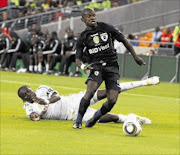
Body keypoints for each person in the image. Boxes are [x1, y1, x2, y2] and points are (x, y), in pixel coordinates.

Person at [73, 8, 146, 129]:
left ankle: (95, 117)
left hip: (112, 66)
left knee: (112, 99)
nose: (92, 18)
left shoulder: (106, 27)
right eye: (88, 16)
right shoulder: (83, 37)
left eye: (93, 15)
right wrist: (82, 66)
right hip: (96, 66)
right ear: (83, 19)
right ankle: (78, 121)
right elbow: (78, 59)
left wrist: (136, 57)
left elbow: (124, 40)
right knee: (90, 91)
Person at [18, 76, 160, 123]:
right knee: (107, 118)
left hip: (75, 100)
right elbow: (33, 116)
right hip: (73, 115)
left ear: (31, 88)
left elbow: (57, 96)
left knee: (109, 91)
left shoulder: (42, 89)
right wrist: (35, 116)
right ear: (24, 99)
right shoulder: (29, 107)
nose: (29, 94)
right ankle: (131, 118)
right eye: (25, 95)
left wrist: (46, 102)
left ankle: (145, 82)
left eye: (28, 91)